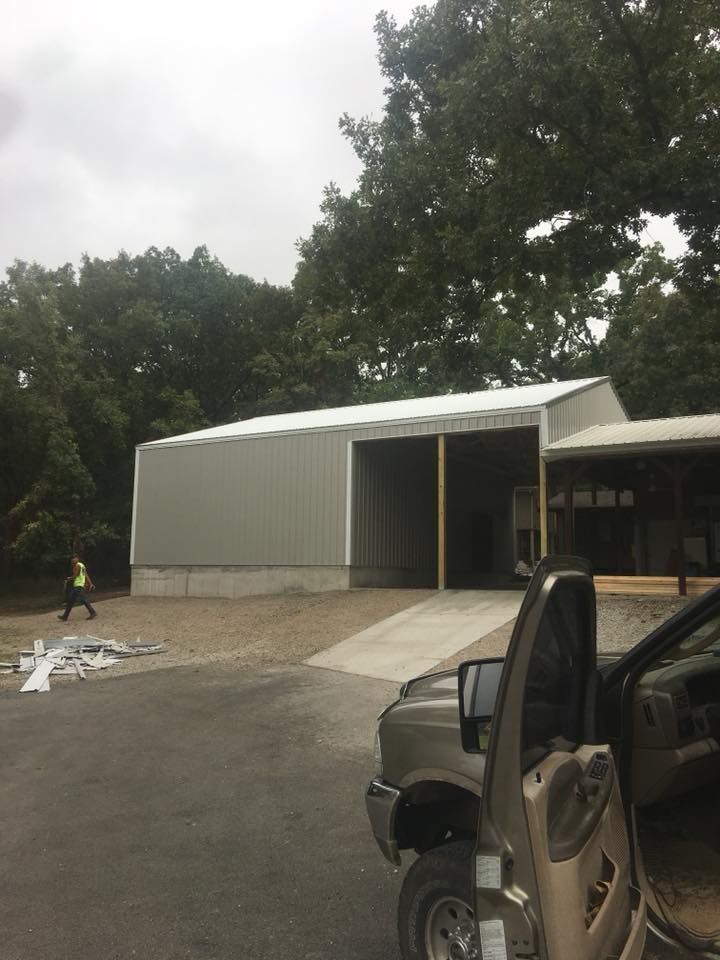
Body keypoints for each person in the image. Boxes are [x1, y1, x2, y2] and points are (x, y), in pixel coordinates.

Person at [58, 555, 97, 622]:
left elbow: (76, 575)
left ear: (77, 559)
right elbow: (85, 575)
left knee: (83, 599)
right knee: (71, 601)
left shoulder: (77, 566)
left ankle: (92, 612)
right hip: (79, 585)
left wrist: (69, 578)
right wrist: (90, 583)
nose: (73, 560)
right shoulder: (82, 565)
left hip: (78, 585)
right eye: (72, 559)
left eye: (74, 558)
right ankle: (65, 616)